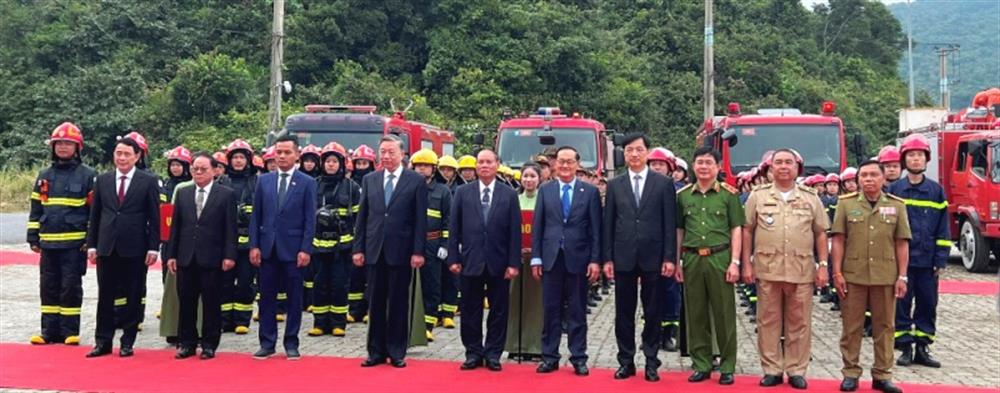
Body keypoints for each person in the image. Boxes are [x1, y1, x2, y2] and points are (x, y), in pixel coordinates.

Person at [742, 149, 830, 389]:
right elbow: (747, 230)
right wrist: (746, 262)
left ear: (797, 168)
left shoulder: (811, 197)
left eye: (788, 163)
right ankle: (771, 369)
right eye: (778, 162)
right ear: (771, 168)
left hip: (801, 270)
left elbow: (821, 233)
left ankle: (796, 370)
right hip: (767, 269)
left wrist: (823, 266)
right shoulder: (757, 196)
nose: (783, 167)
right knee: (768, 322)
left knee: (799, 323)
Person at [602, 134, 677, 382]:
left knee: (653, 311)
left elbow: (669, 223)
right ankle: (626, 361)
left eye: (639, 150)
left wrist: (669, 257)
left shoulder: (663, 184)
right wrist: (608, 258)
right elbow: (609, 224)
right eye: (630, 150)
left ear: (647, 153)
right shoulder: (615, 185)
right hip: (623, 257)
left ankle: (651, 361)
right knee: (623, 312)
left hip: (653, 257)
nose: (634, 154)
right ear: (624, 155)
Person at [831, 160, 910, 393]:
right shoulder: (845, 205)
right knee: (851, 327)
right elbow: (838, 240)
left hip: (885, 276)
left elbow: (901, 242)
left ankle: (882, 374)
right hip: (853, 275)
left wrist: (902, 276)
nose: (868, 179)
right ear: (857, 180)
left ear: (883, 178)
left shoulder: (897, 206)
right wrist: (837, 272)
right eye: (863, 175)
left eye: (874, 175)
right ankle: (851, 373)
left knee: (885, 327)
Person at [353, 134, 428, 368]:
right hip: (375, 249)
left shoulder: (415, 181)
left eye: (391, 152)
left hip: (402, 250)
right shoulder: (370, 180)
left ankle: (397, 351)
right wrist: (359, 248)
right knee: (375, 302)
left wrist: (418, 251)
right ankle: (375, 351)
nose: (385, 156)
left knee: (398, 301)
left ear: (402, 154)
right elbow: (363, 217)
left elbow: (420, 220)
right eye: (382, 152)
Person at [85, 136, 161, 358]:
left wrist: (153, 247)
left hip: (135, 248)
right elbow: (96, 215)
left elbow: (154, 217)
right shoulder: (103, 180)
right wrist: (92, 245)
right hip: (107, 246)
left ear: (137, 156)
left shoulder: (148, 181)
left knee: (133, 295)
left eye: (127, 154)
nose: (122, 158)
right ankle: (103, 341)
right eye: (119, 153)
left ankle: (128, 341)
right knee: (105, 295)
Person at [530, 146, 602, 376]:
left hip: (579, 259)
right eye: (561, 161)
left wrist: (595, 260)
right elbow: (538, 227)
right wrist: (536, 257)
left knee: (577, 311)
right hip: (551, 259)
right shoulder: (546, 190)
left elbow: (595, 231)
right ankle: (549, 356)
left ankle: (579, 357)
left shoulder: (589, 192)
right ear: (554, 164)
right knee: (550, 310)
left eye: (570, 162)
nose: (565, 166)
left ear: (577, 164)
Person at [675, 146, 744, 385]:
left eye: (708, 163)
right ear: (693, 166)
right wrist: (677, 262)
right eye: (699, 162)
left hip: (720, 257)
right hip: (693, 258)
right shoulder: (683, 196)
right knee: (696, 314)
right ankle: (701, 363)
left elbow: (736, 228)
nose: (703, 167)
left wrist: (735, 262)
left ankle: (727, 365)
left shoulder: (729, 194)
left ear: (717, 167)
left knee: (724, 312)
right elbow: (679, 230)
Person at [448, 148, 521, 371]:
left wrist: (513, 263)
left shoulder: (508, 194)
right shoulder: (462, 192)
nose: (484, 166)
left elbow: (514, 233)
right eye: (481, 162)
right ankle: (473, 353)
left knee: (499, 310)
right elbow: (454, 229)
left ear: (497, 165)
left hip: (499, 263)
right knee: (470, 309)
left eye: (489, 162)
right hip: (470, 261)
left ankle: (493, 353)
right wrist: (453, 258)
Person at [249, 134, 317, 360]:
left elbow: (310, 219)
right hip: (267, 249)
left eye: (287, 152)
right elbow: (256, 216)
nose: (282, 156)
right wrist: (254, 245)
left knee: (294, 298)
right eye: (278, 152)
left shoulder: (307, 182)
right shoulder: (264, 181)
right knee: (266, 297)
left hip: (294, 250)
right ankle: (267, 343)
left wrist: (306, 249)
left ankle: (291, 343)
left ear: (297, 155)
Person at [27, 122, 96, 347]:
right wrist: (33, 237)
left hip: (74, 245)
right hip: (48, 244)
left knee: (70, 287)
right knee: (48, 286)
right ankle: (48, 331)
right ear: (53, 147)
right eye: (59, 143)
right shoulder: (44, 175)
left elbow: (94, 211)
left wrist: (90, 238)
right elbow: (36, 208)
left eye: (68, 143)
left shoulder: (88, 176)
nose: (63, 147)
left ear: (78, 148)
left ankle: (69, 331)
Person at [165, 153, 238, 360]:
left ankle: (209, 344)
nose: (198, 172)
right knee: (186, 301)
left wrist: (229, 255)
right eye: (195, 169)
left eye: (203, 169)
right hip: (186, 256)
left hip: (212, 257)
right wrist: (171, 255)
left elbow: (230, 228)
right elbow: (176, 227)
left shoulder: (225, 194)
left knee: (211, 302)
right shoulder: (183, 193)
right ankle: (187, 343)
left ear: (214, 170)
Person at [889, 135, 949, 368]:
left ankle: (923, 348)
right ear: (905, 160)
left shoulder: (936, 191)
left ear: (926, 159)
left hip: (927, 261)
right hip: (900, 262)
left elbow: (943, 228)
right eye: (911, 155)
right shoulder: (894, 190)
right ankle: (904, 347)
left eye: (919, 155)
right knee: (901, 305)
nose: (915, 159)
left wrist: (940, 259)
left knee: (927, 304)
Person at [308, 142, 360, 337]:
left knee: (339, 284)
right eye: (328, 161)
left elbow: (358, 217)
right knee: (320, 284)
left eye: (334, 161)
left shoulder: (351, 187)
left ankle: (338, 323)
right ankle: (320, 324)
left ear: (341, 163)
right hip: (319, 244)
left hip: (342, 245)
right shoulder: (314, 185)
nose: (330, 165)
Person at [410, 149, 453, 341]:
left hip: (433, 243)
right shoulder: (407, 187)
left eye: (426, 166)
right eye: (419, 165)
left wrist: (445, 244)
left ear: (433, 169)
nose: (421, 169)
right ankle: (408, 323)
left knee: (431, 284)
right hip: (409, 244)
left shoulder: (443, 191)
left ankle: (428, 325)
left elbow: (448, 220)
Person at [218, 139, 259, 334]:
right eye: (235, 157)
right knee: (224, 283)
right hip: (225, 242)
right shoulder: (221, 181)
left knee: (245, 282)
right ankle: (225, 320)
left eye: (242, 157)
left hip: (247, 242)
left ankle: (242, 320)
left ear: (248, 159)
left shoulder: (256, 181)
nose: (238, 161)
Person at [505, 163, 544, 360]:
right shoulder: (514, 199)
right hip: (515, 258)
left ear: (539, 179)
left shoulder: (544, 200)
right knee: (514, 301)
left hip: (537, 259)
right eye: (525, 176)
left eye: (532, 176)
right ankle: (514, 344)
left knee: (536, 304)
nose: (528, 180)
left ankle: (535, 346)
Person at [347, 144, 377, 322]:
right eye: (358, 164)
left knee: (372, 276)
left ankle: (370, 309)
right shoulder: (350, 185)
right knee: (355, 275)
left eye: (365, 163)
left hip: (372, 235)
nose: (361, 167)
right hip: (354, 236)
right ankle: (354, 310)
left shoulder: (375, 183)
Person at [436, 156, 461, 328]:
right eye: (443, 169)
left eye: (449, 170)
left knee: (451, 278)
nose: (446, 172)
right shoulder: (435, 189)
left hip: (453, 238)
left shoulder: (460, 189)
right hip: (434, 242)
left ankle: (448, 313)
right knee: (435, 279)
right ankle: (436, 314)